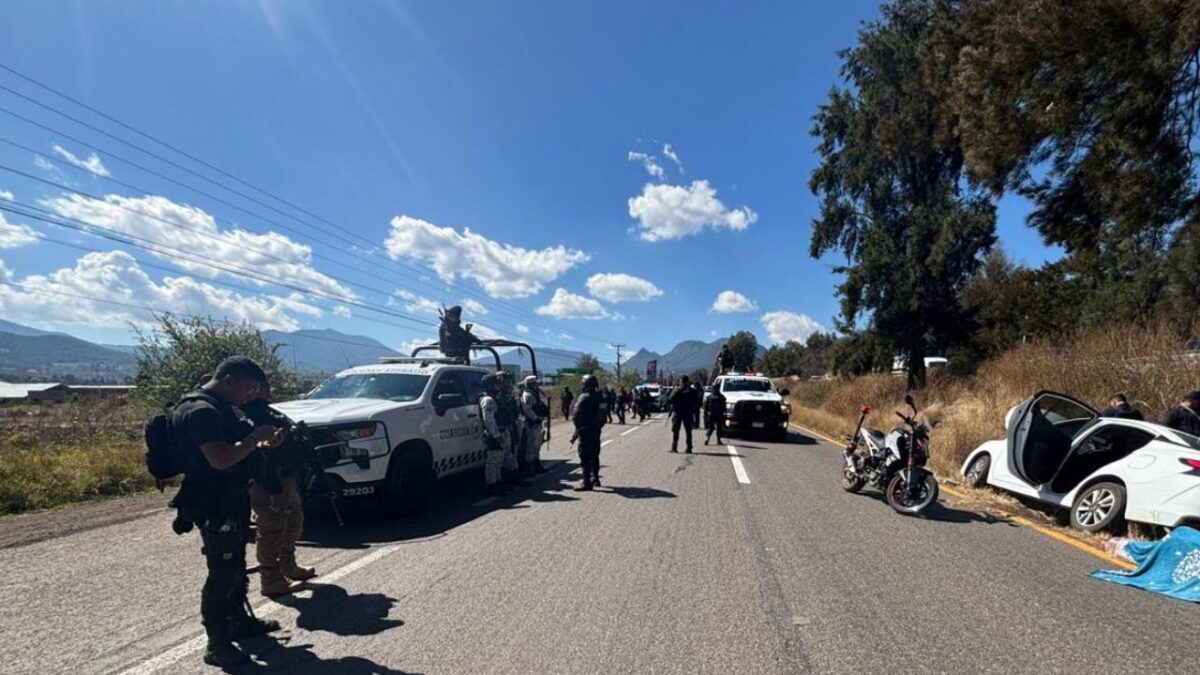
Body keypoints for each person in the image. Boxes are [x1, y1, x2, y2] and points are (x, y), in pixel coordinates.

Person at [170, 357, 282, 668]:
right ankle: (217, 644)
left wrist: (255, 443)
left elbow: (234, 450)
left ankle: (239, 623)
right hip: (214, 502)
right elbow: (220, 459)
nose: (249, 396)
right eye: (248, 388)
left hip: (229, 498)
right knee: (221, 573)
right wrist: (254, 438)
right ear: (229, 379)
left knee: (235, 565)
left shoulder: (217, 406)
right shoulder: (200, 411)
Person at [241, 387, 316, 599]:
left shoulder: (268, 413)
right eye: (260, 388)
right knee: (271, 528)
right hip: (266, 482)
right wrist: (273, 488)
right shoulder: (247, 417)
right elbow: (261, 457)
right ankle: (271, 579)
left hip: (285, 477)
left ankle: (288, 566)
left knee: (293, 521)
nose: (267, 392)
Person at [572, 374, 606, 490]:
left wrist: (578, 429)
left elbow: (576, 415)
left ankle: (586, 482)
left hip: (585, 431)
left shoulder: (584, 397)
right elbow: (603, 415)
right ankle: (595, 478)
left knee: (585, 456)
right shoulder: (600, 397)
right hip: (596, 431)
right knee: (595, 455)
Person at [479, 374, 510, 497]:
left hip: (501, 431)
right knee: (492, 461)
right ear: (491, 385)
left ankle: (498, 482)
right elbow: (489, 420)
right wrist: (496, 435)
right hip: (494, 434)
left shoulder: (495, 398)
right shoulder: (488, 400)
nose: (499, 386)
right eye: (497, 383)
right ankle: (492, 485)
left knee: (498, 460)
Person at [520, 376, 549, 474]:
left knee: (537, 445)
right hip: (531, 424)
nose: (537, 385)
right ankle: (529, 467)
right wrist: (535, 418)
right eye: (535, 383)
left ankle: (537, 464)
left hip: (538, 423)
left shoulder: (536, 394)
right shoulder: (528, 395)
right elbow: (527, 409)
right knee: (530, 446)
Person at [668, 375, 699, 453]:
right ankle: (689, 447)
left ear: (681, 382)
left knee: (676, 431)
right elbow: (696, 403)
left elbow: (670, 399)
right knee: (688, 431)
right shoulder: (693, 391)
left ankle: (674, 447)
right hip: (688, 413)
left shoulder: (678, 390)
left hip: (678, 413)